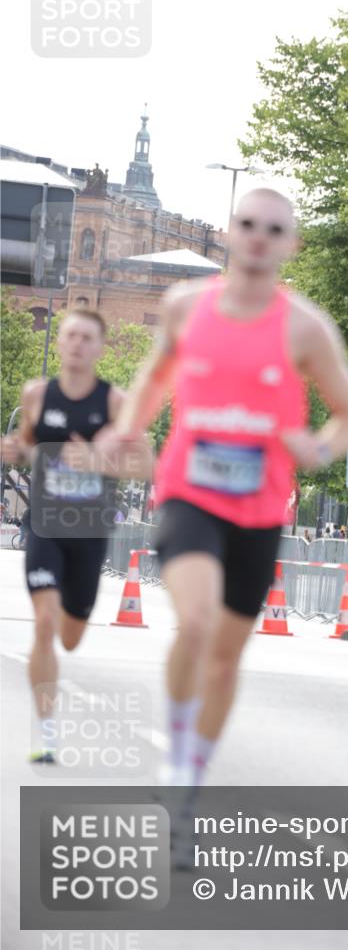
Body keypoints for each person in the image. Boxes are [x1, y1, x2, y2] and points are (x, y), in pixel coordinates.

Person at [101, 187, 348, 786]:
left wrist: (320, 447)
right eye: (247, 223)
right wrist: (127, 429)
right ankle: (174, 753)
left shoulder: (306, 327)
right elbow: (153, 377)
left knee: (224, 658)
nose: (257, 236)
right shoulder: (185, 305)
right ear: (227, 232)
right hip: (188, 492)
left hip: (260, 506)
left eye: (273, 229)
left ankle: (194, 770)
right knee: (194, 623)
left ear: (290, 245)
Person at [0, 310, 152, 764]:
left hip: (89, 531)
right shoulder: (36, 394)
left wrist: (97, 460)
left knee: (70, 636)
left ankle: (73, 622)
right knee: (44, 625)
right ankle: (46, 734)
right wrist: (15, 450)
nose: (78, 344)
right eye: (71, 336)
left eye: (88, 338)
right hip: (45, 526)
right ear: (61, 342)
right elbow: (27, 446)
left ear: (100, 348)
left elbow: (146, 465)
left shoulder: (114, 403)